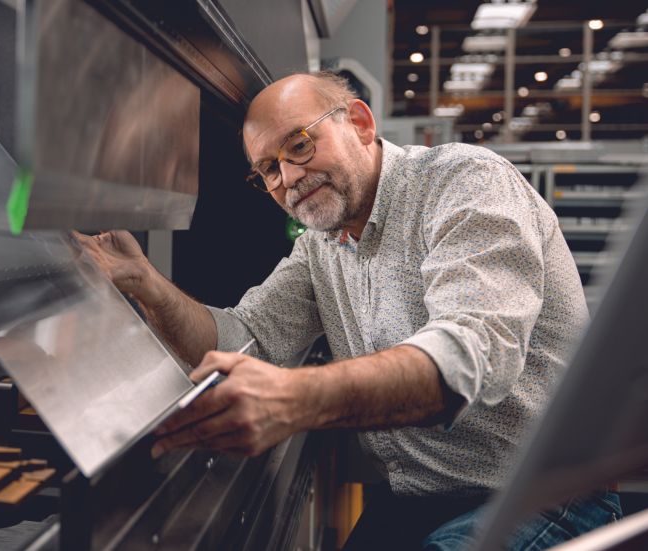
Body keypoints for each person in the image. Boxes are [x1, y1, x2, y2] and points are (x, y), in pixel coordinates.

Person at [75, 71, 621, 550]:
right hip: (416, 501)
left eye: (300, 146)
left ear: (359, 123)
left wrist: (296, 399)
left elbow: (472, 354)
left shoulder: (464, 180)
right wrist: (145, 283)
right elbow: (242, 338)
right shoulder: (322, 244)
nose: (287, 179)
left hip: (545, 495)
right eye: (267, 170)